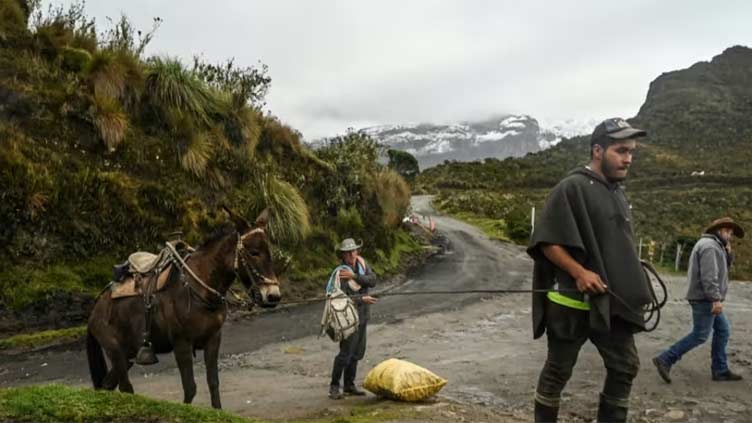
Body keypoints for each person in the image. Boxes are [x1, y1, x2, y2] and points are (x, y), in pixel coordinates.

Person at [527, 118, 654, 423]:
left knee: (625, 366)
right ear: (598, 150)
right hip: (570, 304)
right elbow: (547, 243)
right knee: (558, 371)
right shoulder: (571, 187)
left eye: (631, 152)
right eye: (621, 150)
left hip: (610, 301)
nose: (628, 159)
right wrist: (579, 272)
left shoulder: (617, 192)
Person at [653, 217, 745, 383]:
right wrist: (716, 299)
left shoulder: (715, 246)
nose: (730, 236)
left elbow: (722, 269)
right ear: (718, 230)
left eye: (731, 233)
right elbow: (709, 277)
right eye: (727, 232)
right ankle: (665, 359)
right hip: (705, 299)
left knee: (723, 330)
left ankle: (720, 369)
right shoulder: (710, 247)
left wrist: (728, 253)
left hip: (706, 298)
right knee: (700, 335)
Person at [329, 238, 378, 400]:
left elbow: (373, 281)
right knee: (345, 353)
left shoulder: (363, 266)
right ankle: (334, 386)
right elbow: (341, 298)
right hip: (347, 318)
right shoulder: (340, 272)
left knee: (358, 352)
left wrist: (355, 276)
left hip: (363, 316)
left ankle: (349, 385)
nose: (351, 255)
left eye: (353, 251)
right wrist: (361, 299)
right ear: (343, 255)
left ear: (357, 251)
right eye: (348, 252)